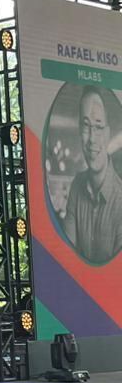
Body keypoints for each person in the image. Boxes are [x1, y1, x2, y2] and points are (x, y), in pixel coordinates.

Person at [63, 85, 122, 263]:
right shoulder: (76, 187)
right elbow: (67, 257)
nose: (92, 139)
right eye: (86, 126)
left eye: (98, 126)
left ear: (107, 133)